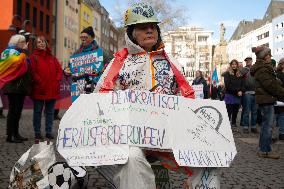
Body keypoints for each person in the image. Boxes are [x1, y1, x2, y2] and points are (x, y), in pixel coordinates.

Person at [93, 3, 221, 189]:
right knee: (132, 159)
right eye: (143, 27)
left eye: (153, 26)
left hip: (169, 136)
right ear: (131, 32)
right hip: (131, 138)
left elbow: (189, 100)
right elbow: (100, 101)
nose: (149, 30)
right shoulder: (119, 63)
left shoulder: (172, 63)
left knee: (208, 161)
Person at [250, 45, 284, 159]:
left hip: (266, 99)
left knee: (266, 125)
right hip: (266, 99)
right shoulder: (263, 69)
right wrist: (281, 91)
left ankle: (262, 149)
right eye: (269, 55)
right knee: (268, 126)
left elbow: (271, 82)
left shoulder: (263, 68)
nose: (270, 57)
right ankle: (265, 150)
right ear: (264, 56)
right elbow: (269, 85)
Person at [30, 36, 62, 140]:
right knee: (38, 112)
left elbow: (59, 70)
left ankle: (48, 131)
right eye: (39, 42)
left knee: (50, 112)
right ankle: (37, 132)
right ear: (36, 45)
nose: (41, 44)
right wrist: (39, 82)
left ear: (46, 43)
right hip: (39, 89)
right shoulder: (33, 57)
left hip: (51, 89)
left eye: (43, 41)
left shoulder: (52, 57)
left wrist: (56, 81)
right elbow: (33, 72)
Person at [0, 34, 31, 143]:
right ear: (16, 43)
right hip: (13, 85)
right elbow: (18, 64)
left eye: (24, 42)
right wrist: (24, 52)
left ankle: (15, 133)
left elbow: (27, 64)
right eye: (21, 42)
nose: (24, 44)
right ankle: (10, 135)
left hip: (19, 86)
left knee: (18, 111)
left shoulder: (18, 52)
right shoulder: (11, 52)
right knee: (13, 110)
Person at [222, 59, 244, 127]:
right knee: (229, 110)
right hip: (230, 94)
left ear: (237, 65)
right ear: (230, 65)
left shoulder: (240, 74)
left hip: (237, 95)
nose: (234, 66)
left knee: (235, 110)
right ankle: (227, 123)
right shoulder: (227, 74)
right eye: (232, 64)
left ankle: (234, 122)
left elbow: (242, 84)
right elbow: (228, 85)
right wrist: (237, 91)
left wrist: (241, 91)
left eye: (235, 64)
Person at [240, 57, 258, 134]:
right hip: (247, 93)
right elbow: (239, 77)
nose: (248, 62)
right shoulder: (243, 70)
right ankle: (245, 127)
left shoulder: (255, 69)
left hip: (255, 93)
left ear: (251, 61)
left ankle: (253, 127)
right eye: (247, 61)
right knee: (246, 111)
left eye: (249, 60)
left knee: (254, 111)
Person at [275, 58, 284, 140]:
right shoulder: (278, 74)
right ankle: (280, 133)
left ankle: (282, 132)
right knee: (279, 115)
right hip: (279, 97)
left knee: (282, 115)